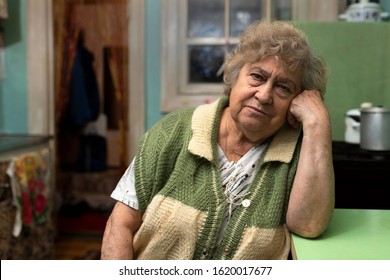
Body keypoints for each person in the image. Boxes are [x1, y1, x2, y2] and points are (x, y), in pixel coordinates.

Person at [101, 20, 335, 260]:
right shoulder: (173, 132)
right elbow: (120, 225)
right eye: (257, 76)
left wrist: (318, 124)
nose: (264, 96)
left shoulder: (299, 153)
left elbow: (308, 225)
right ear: (234, 77)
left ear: (296, 102)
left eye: (283, 88)